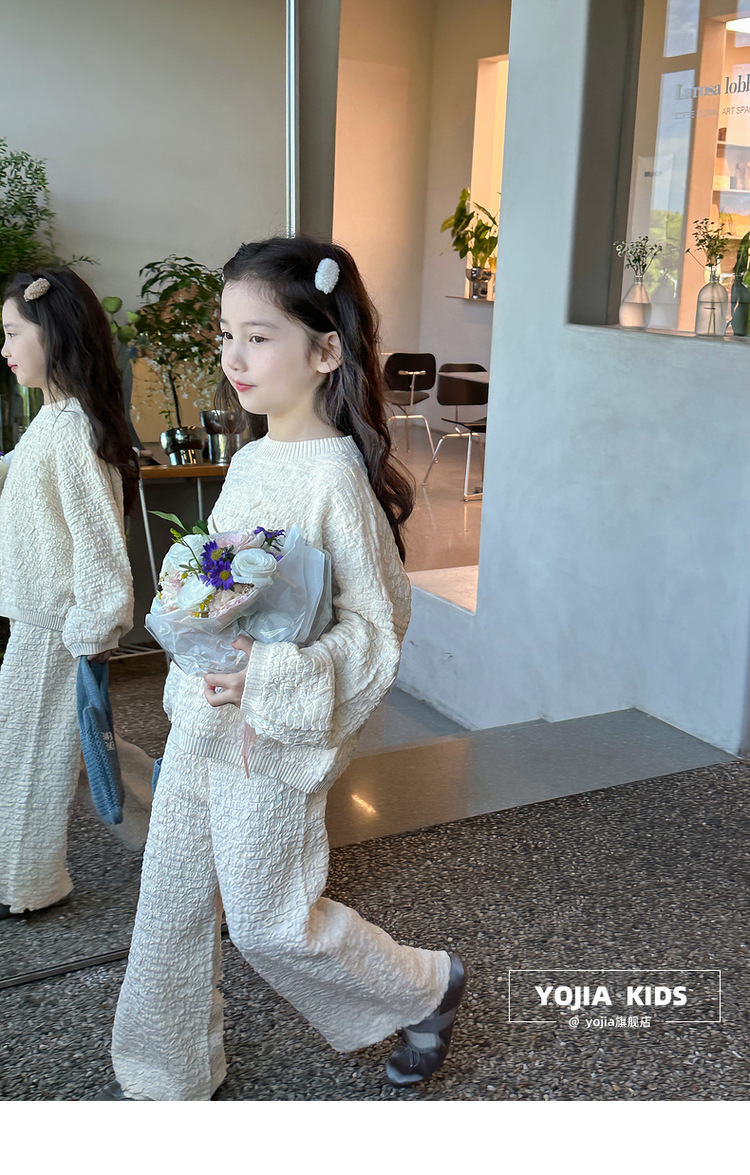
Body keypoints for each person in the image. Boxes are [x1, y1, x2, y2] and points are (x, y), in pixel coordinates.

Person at [99, 236, 466, 1101]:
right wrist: (191, 619)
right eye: (227, 335)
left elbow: (378, 629)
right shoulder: (252, 458)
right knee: (170, 904)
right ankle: (164, 1074)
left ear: (326, 349)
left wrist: (266, 678)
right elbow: (227, 583)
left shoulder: (336, 479)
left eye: (258, 337)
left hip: (273, 741)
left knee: (268, 923)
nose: (234, 357)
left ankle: (427, 985)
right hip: (202, 725)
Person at [0, 269, 137, 917]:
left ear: (51, 334)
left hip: (58, 628)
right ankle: (187, 833)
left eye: (11, 333)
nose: (4, 349)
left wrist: (95, 629)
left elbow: (99, 539)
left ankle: (28, 884)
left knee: (35, 755)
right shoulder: (52, 420)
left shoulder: (76, 428)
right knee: (65, 748)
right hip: (40, 621)